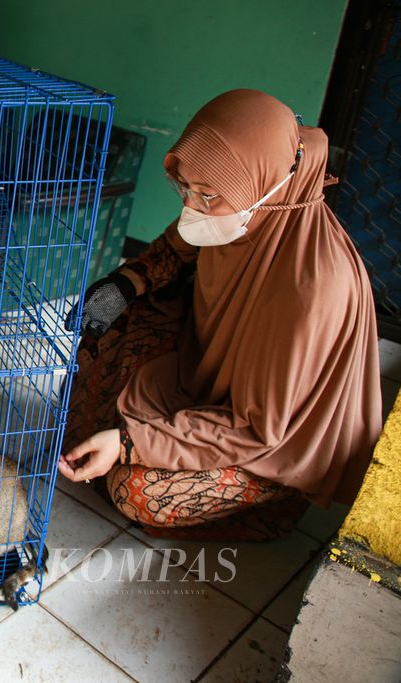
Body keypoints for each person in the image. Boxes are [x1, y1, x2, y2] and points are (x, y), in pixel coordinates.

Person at [57, 90, 382, 541]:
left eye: (207, 195)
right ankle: (128, 437)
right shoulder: (239, 209)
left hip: (267, 442)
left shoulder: (315, 290)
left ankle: (273, 505)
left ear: (271, 187)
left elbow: (257, 428)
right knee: (106, 329)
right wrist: (123, 285)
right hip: (207, 376)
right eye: (185, 189)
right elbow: (173, 248)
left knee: (137, 491)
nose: (191, 207)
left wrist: (131, 445)